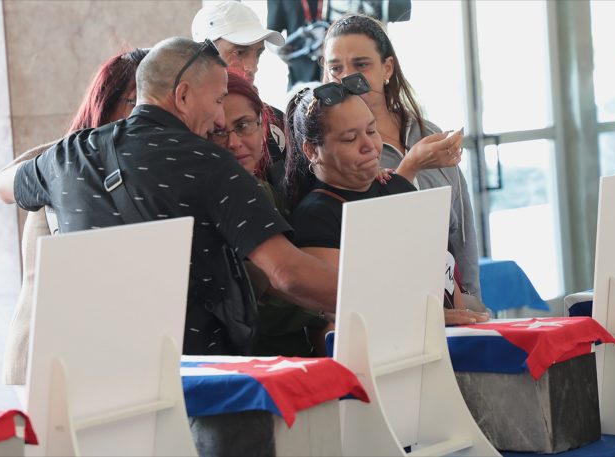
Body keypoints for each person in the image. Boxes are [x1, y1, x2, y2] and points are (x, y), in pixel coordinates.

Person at [0, 37, 338, 358]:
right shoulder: (210, 165)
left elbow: (3, 186)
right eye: (218, 100)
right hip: (195, 376)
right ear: (183, 95)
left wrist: (59, 164)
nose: (220, 118)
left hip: (95, 368)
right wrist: (372, 296)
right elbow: (288, 273)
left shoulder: (68, 155)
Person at [0, 48, 149, 391]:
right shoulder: (64, 157)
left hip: (96, 351)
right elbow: (2, 182)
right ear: (105, 102)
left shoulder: (138, 166)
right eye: (136, 103)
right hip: (40, 351)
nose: (145, 117)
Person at [284, 73, 489, 326]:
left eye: (372, 130)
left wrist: (463, 325)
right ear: (312, 150)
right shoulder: (316, 217)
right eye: (350, 138)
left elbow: (443, 278)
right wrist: (427, 320)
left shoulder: (394, 186)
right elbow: (343, 316)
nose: (369, 145)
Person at [318, 14, 485, 311]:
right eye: (335, 68)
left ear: (387, 68)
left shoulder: (427, 133)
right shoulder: (331, 151)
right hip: (388, 310)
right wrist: (410, 166)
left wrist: (472, 301)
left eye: (361, 65)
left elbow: (462, 230)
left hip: (453, 302)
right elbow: (373, 241)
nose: (347, 78)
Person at [209, 69, 327, 356]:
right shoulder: (207, 203)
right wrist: (327, 309)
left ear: (264, 127)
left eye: (244, 125)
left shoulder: (271, 189)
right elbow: (261, 303)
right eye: (219, 132)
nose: (234, 142)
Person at [192, 1, 289, 189]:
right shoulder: (187, 130)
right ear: (201, 55)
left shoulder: (277, 120)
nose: (251, 67)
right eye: (239, 52)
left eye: (258, 54)